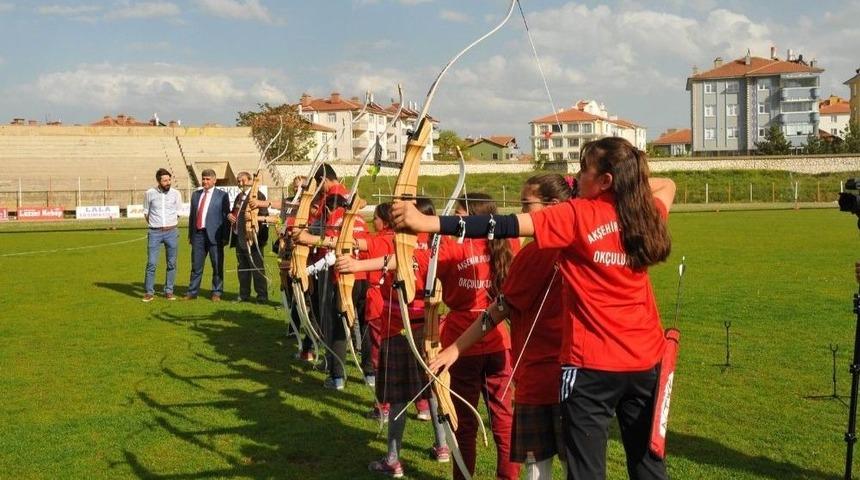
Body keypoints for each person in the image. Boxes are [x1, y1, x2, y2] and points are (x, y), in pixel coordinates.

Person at [391, 137, 676, 480]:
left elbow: (501, 225)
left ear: (606, 181)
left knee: (585, 470)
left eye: (584, 171)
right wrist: (630, 185)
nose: (576, 179)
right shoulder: (643, 216)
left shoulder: (575, 215)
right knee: (647, 465)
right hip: (646, 360)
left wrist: (428, 224)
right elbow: (668, 184)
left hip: (593, 365)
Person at [428, 174, 575, 479]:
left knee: (532, 460)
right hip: (571, 368)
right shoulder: (519, 246)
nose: (520, 212)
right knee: (575, 459)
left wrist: (454, 349)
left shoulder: (530, 254)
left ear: (554, 206)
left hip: (529, 366)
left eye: (526, 204)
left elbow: (497, 309)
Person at [186, 168, 230, 301]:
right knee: (196, 265)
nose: (205, 181)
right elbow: (192, 216)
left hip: (215, 236)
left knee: (217, 265)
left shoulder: (222, 195)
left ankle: (217, 292)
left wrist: (225, 237)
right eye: (203, 179)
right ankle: (192, 292)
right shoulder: (196, 195)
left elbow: (225, 217)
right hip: (198, 235)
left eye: (208, 179)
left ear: (214, 180)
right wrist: (190, 235)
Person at [228, 171, 270, 303]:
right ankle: (244, 294)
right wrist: (231, 216)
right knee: (243, 269)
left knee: (257, 268)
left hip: (253, 238)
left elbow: (263, 216)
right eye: (238, 181)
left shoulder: (257, 195)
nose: (240, 183)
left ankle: (262, 296)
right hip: (239, 237)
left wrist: (254, 225)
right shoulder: (239, 196)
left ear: (250, 180)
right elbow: (236, 212)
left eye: (243, 180)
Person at [142, 168, 182, 302]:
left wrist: (170, 225)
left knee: (172, 263)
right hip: (155, 232)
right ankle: (149, 292)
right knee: (152, 263)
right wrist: (156, 225)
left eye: (169, 180)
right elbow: (146, 213)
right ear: (158, 181)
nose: (168, 182)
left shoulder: (176, 194)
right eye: (165, 180)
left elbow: (177, 212)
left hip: (172, 231)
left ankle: (169, 290)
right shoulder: (149, 193)